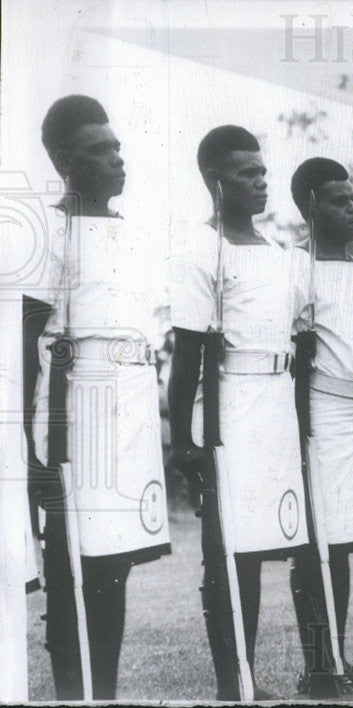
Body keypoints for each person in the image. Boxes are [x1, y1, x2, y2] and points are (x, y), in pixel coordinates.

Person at [28, 95, 171, 699]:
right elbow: (21, 341)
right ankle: (71, 692)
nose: (116, 159)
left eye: (117, 146)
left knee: (114, 567)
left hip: (132, 409)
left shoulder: (132, 235)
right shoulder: (48, 232)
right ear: (65, 160)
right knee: (71, 569)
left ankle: (104, 692)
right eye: (98, 150)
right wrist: (24, 447)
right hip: (74, 411)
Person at [168, 125, 309, 700]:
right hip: (232, 407)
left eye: (262, 172)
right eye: (246, 174)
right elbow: (189, 351)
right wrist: (183, 438)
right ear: (214, 180)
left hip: (278, 405)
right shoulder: (201, 247)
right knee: (230, 551)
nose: (259, 182)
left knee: (274, 540)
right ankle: (235, 680)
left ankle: (286, 670)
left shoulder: (279, 254)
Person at [286, 158, 353, 696]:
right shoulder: (299, 272)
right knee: (317, 544)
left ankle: (339, 657)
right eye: (337, 200)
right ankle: (317, 667)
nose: (352, 208)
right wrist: (301, 438)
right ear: (309, 207)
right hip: (322, 420)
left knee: (347, 541)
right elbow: (299, 359)